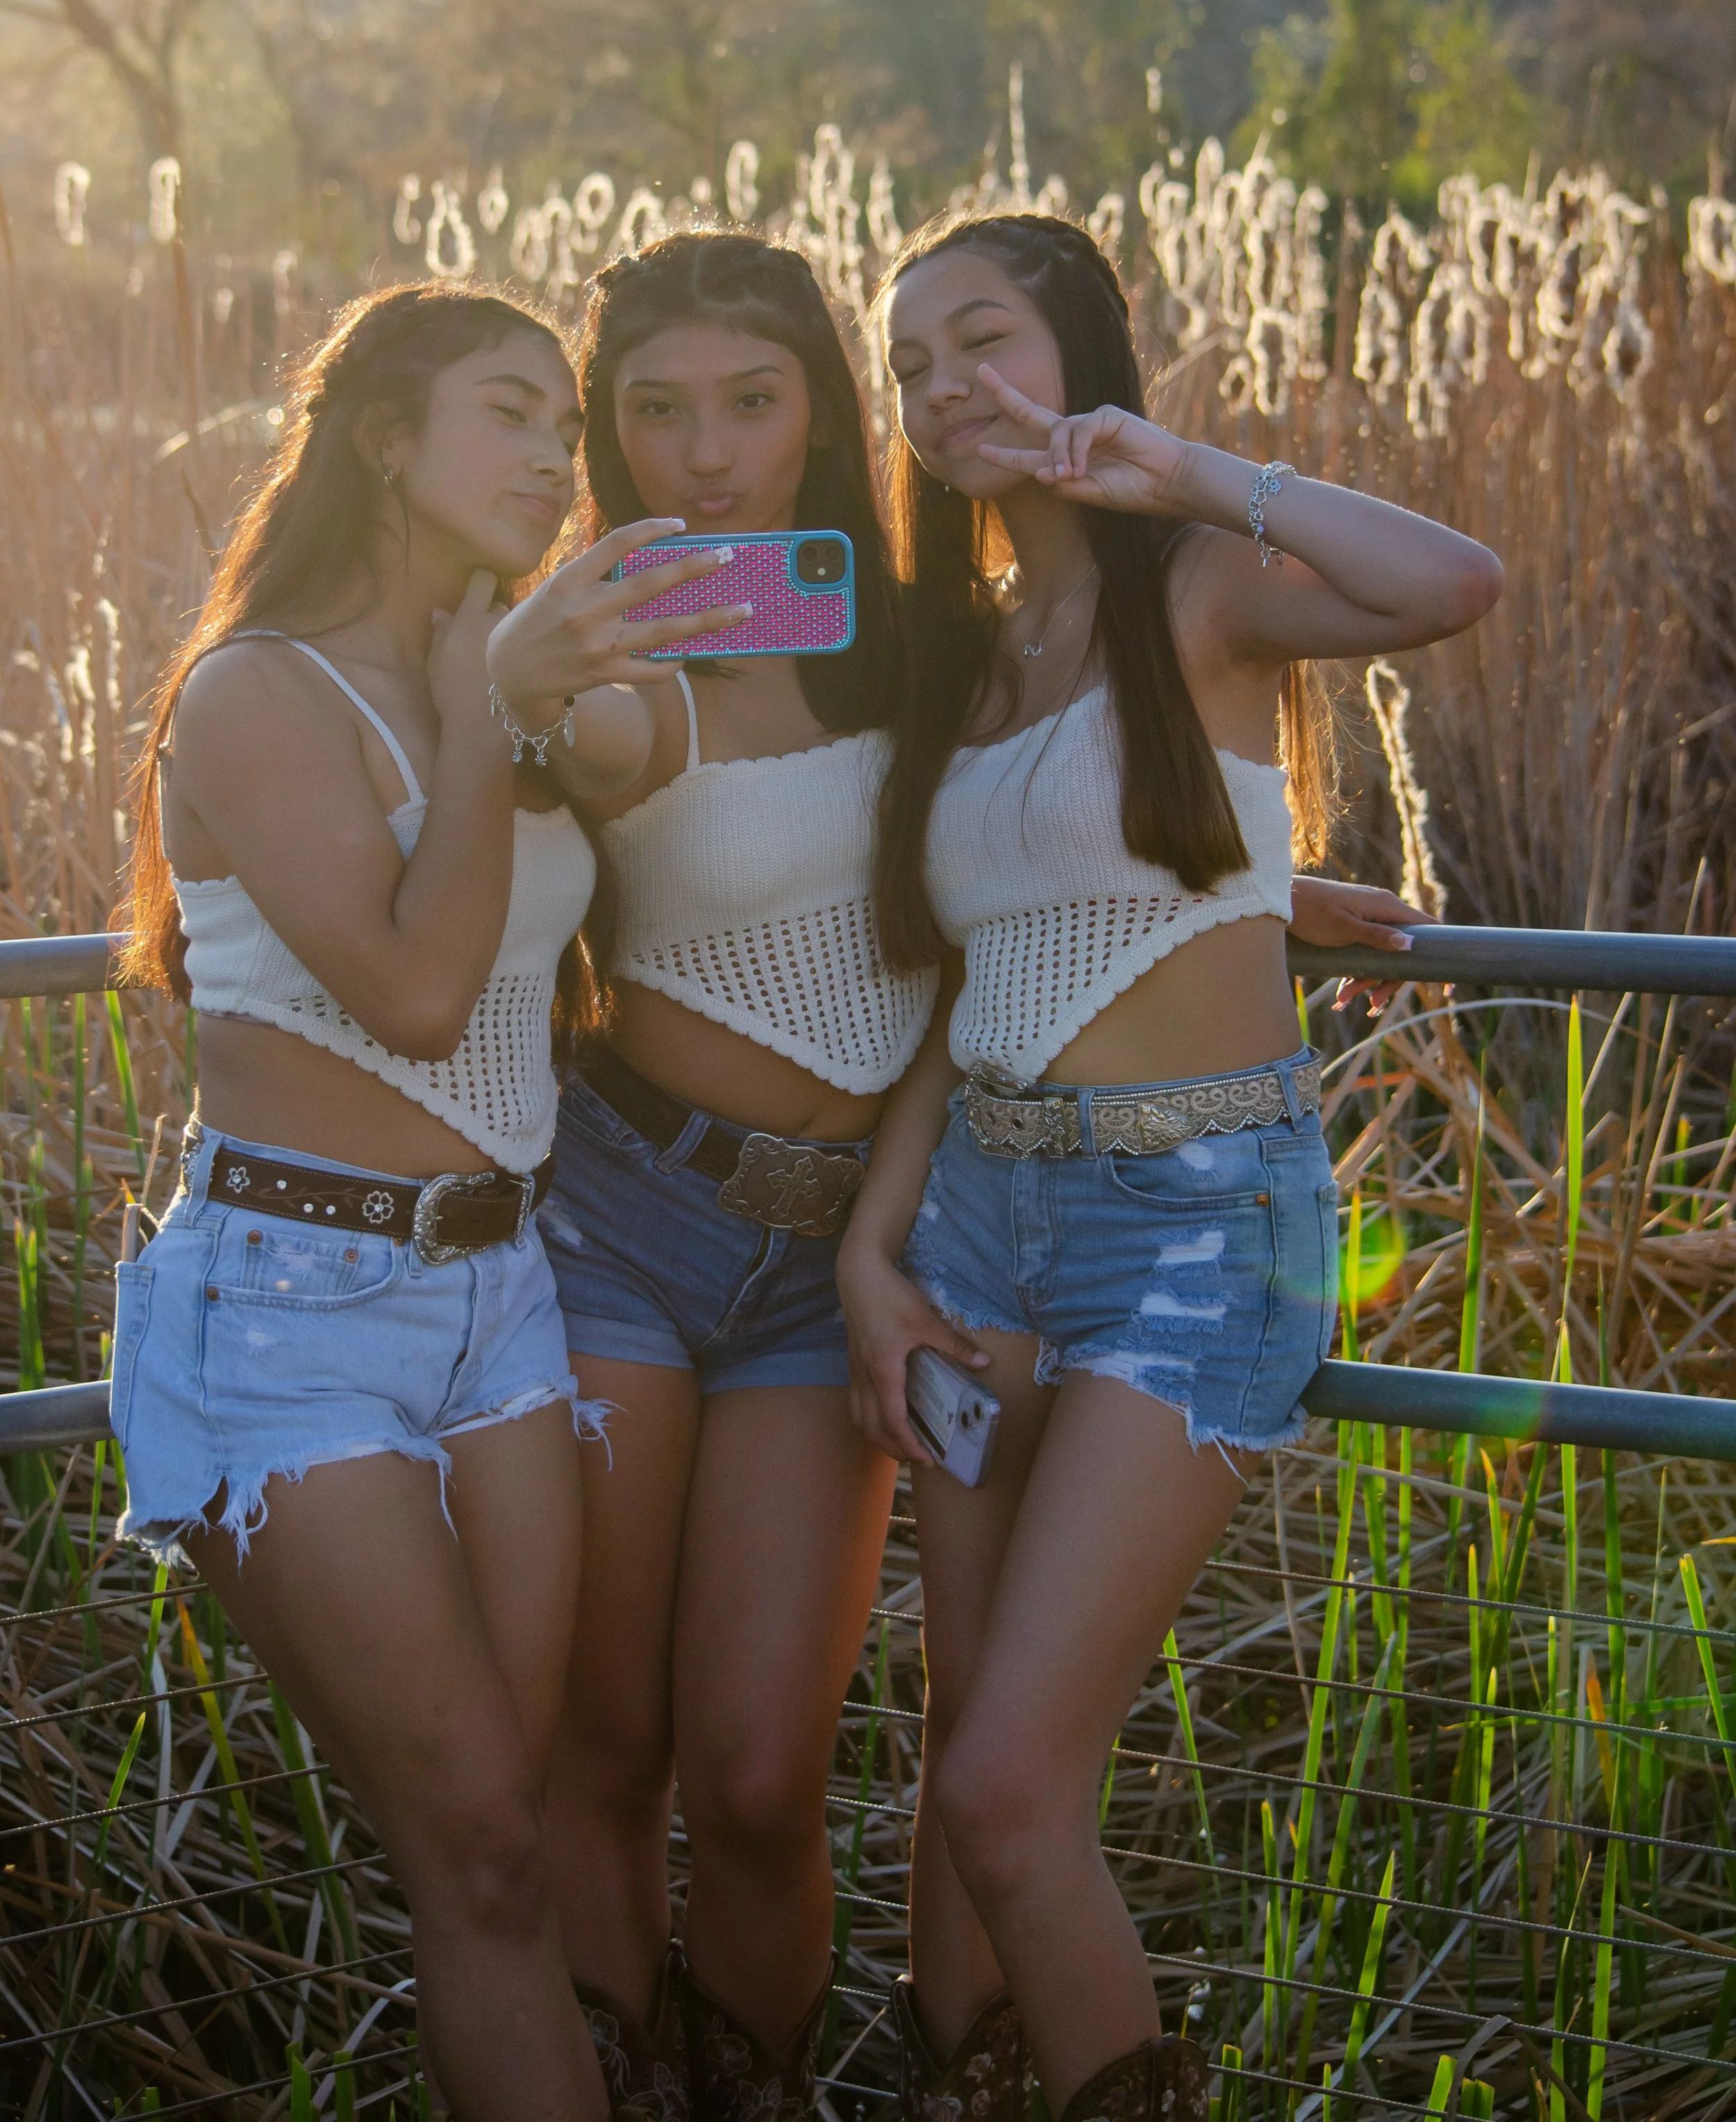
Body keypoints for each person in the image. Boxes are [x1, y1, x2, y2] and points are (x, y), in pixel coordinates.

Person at [490, 229, 1425, 2122]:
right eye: (654, 409)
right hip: (636, 1212)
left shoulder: (928, 642)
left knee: (765, 1775)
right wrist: (528, 687)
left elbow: (1027, 856)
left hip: (871, 1237)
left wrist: (1236, 877)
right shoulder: (600, 639)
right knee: (605, 1742)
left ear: (824, 416)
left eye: (756, 400)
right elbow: (584, 762)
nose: (705, 452)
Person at [836, 212, 1503, 2122]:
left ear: (1080, 355)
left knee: (1004, 1787)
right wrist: (875, 1255)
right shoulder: (965, 654)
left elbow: (1452, 583)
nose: (944, 386)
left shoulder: (1200, 588)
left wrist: (1188, 468)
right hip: (980, 1225)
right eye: (910, 365)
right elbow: (985, 966)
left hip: (1201, 1233)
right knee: (962, 1749)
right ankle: (960, 2086)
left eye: (982, 339)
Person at [114, 283, 743, 2122]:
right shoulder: (255, 693)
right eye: (508, 412)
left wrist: (586, 671)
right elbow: (413, 992)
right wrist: (490, 713)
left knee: (509, 1845)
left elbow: (652, 759)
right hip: (289, 1309)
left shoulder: (505, 678)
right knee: (473, 1848)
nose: (558, 452)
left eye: (564, 420)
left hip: (500, 1300)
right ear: (386, 442)